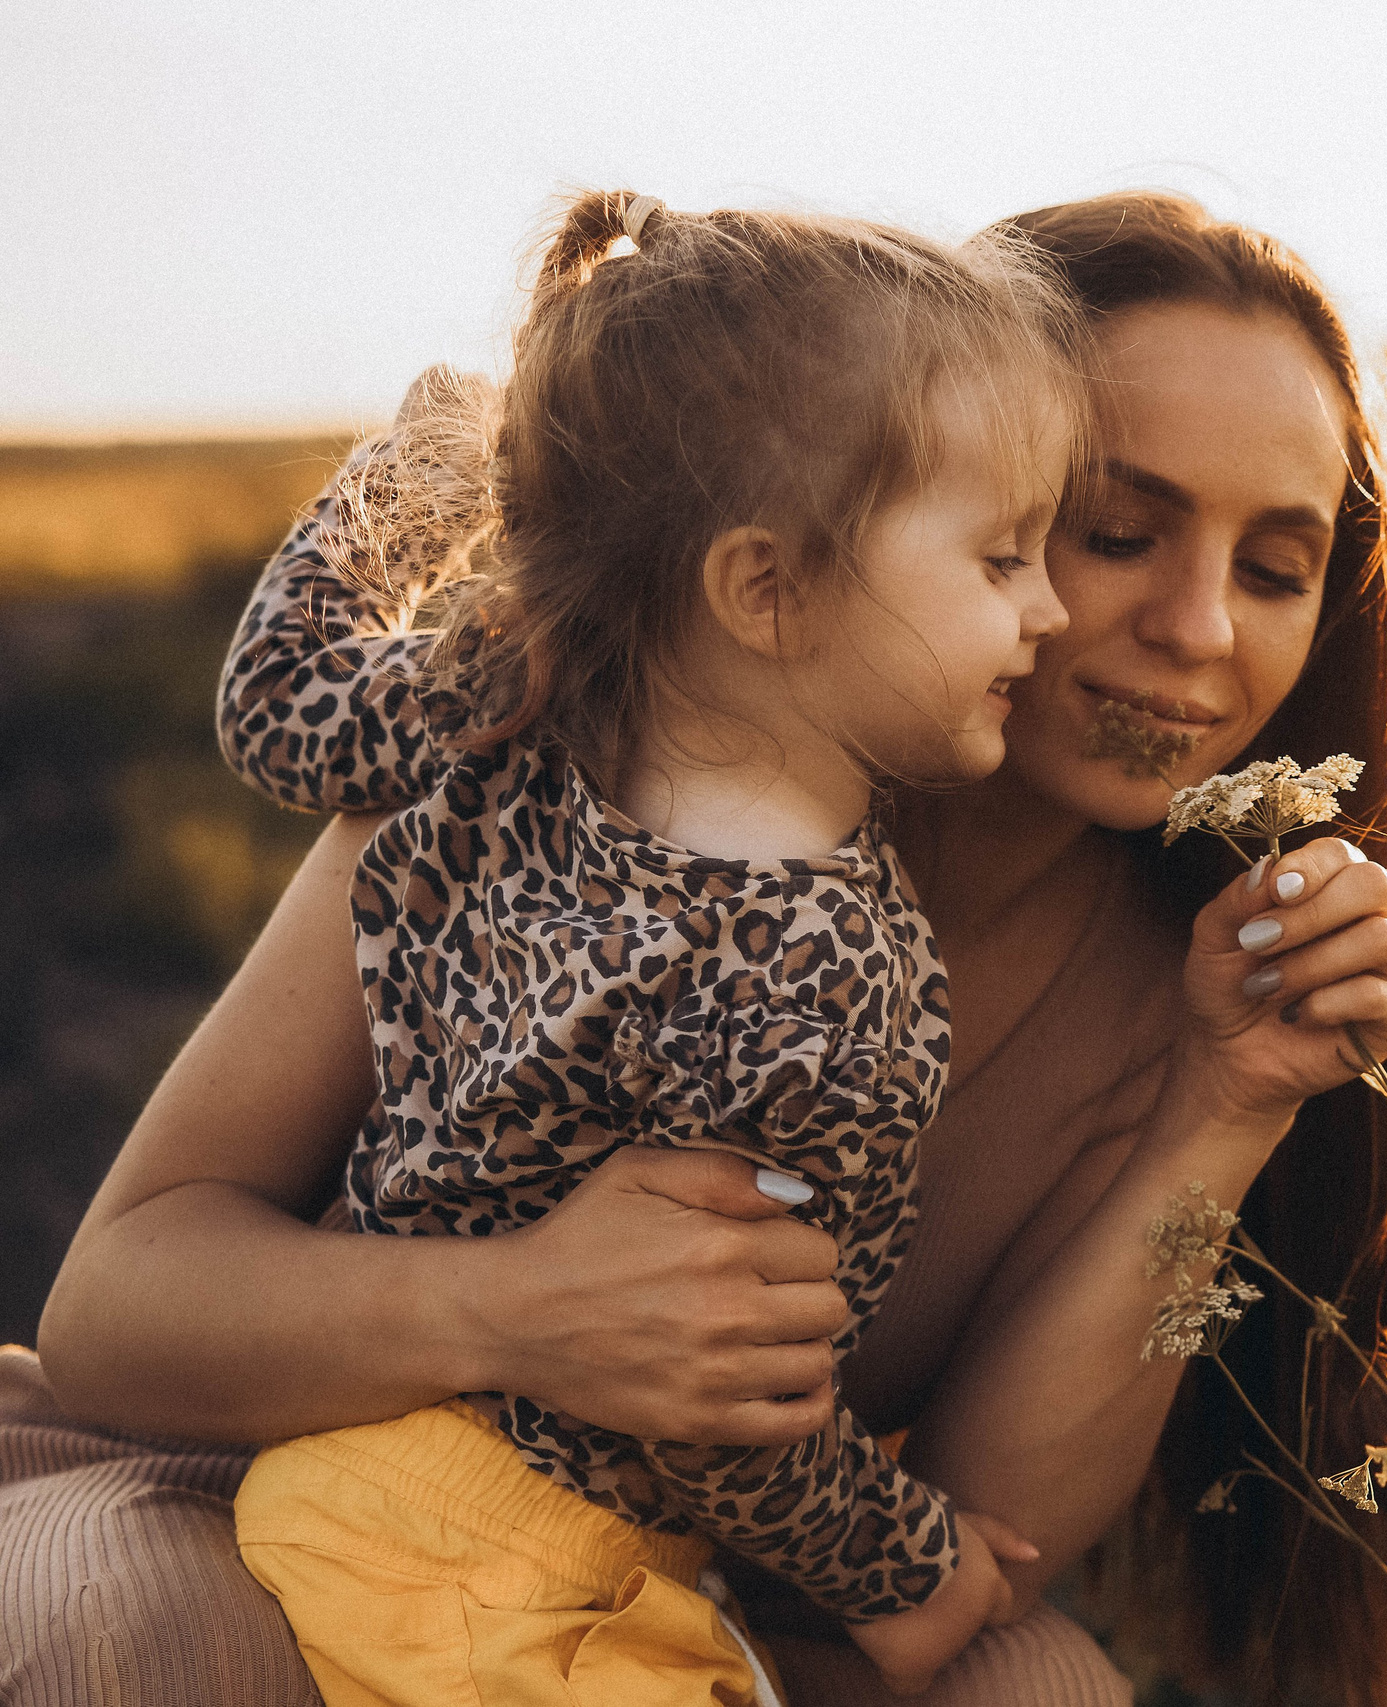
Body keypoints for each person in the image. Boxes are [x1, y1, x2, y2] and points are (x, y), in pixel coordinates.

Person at [11, 192, 1387, 1707]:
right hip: (258, 1457)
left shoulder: (1190, 984)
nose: (1200, 628)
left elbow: (992, 1537)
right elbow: (115, 1310)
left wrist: (1223, 1108)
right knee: (152, 1659)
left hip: (701, 1565)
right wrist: (519, 1306)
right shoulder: (563, 757)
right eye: (1108, 533)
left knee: (1041, 1690)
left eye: (1276, 570)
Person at [215, 186, 1088, 1703]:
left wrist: (422, 467)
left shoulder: (510, 707)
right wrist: (911, 1573)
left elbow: (278, 701)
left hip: (342, 1468)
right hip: (526, 1580)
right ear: (767, 588)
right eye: (1004, 559)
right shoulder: (827, 988)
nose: (1053, 609)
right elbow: (721, 1404)